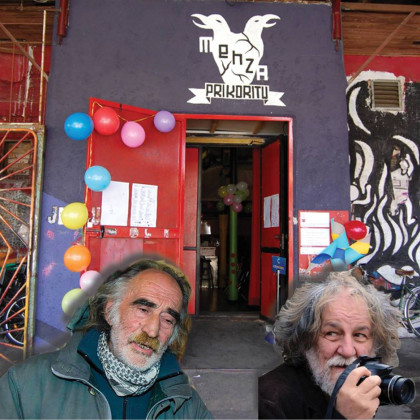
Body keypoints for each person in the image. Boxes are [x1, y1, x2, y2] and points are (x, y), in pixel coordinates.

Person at [0, 257, 212, 419]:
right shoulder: (26, 385)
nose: (152, 330)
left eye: (167, 320)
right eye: (143, 310)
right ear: (110, 312)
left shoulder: (187, 405)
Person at [258, 270, 401, 419]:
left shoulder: (360, 394)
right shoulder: (269, 402)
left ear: (376, 346)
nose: (347, 351)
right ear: (305, 339)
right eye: (331, 333)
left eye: (359, 335)